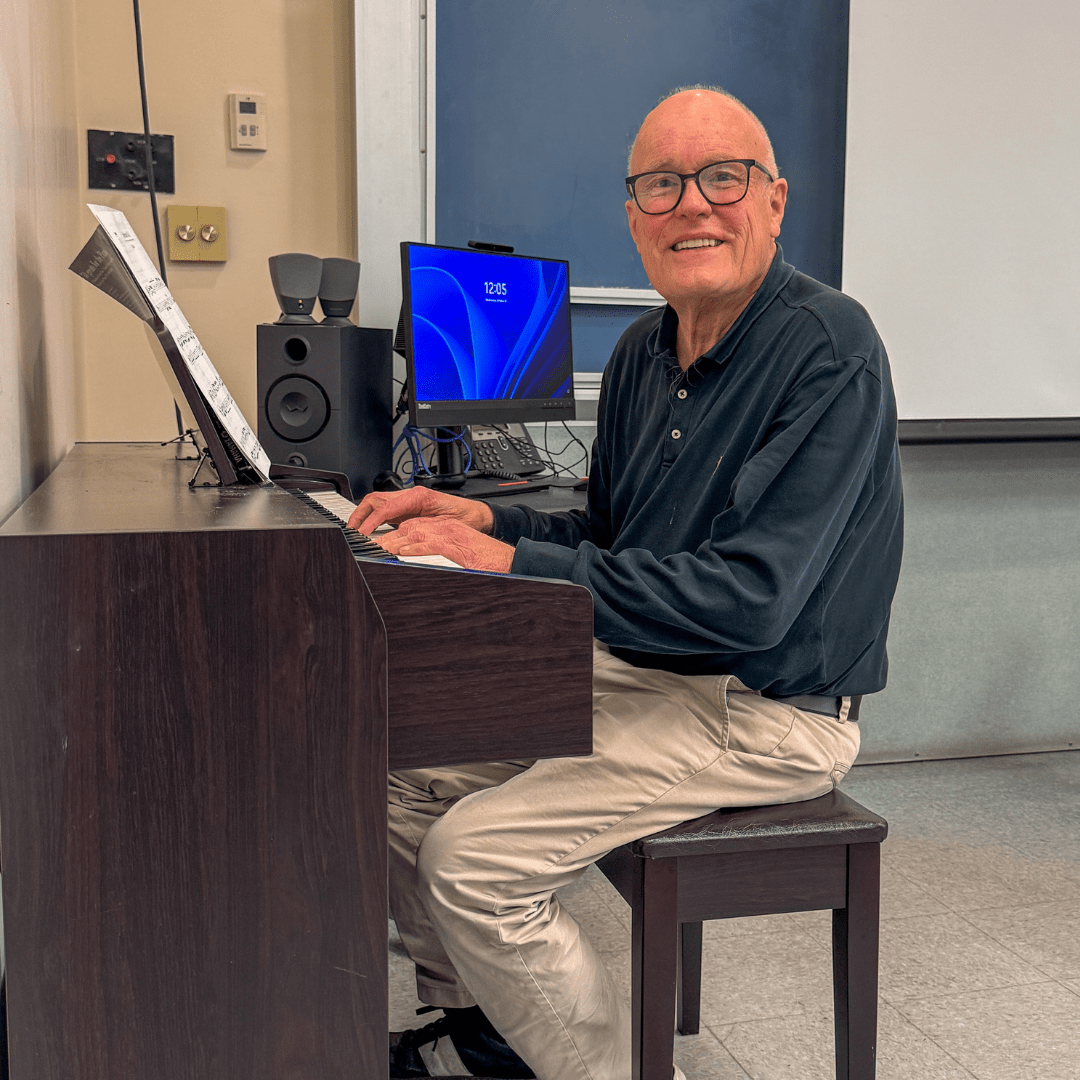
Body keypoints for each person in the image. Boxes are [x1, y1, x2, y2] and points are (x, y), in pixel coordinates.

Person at [349, 86, 903, 1080]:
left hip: (766, 708)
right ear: (632, 218)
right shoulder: (646, 352)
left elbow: (749, 601)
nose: (691, 204)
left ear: (775, 201)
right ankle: (486, 1026)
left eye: (721, 177)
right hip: (647, 673)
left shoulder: (830, 348)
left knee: (474, 860)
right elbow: (607, 537)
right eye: (659, 185)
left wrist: (516, 561)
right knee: (398, 771)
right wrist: (485, 519)